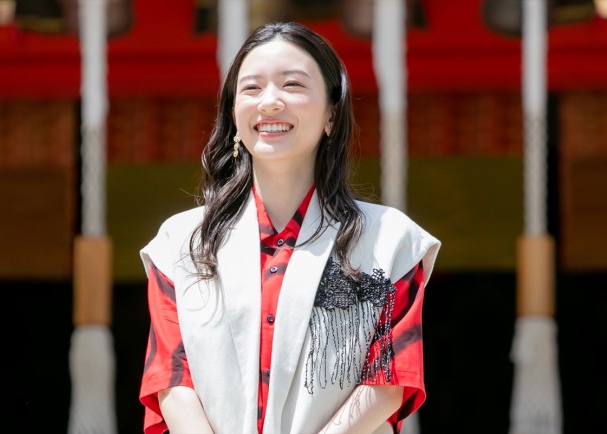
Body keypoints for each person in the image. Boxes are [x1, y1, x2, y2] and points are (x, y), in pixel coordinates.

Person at [138, 21, 440, 434]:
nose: (270, 102)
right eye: (251, 88)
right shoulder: (181, 244)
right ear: (233, 113)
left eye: (292, 84)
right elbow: (172, 379)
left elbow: (387, 381)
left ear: (331, 112)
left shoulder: (390, 240)